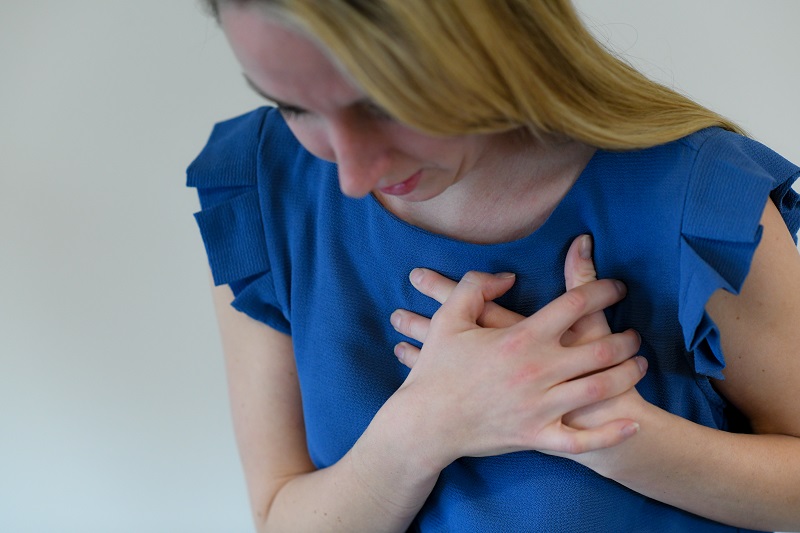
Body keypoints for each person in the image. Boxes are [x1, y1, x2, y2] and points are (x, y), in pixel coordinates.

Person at [187, 1, 800, 531]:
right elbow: (279, 519)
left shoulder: (699, 198)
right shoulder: (262, 189)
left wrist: (616, 434)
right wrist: (426, 426)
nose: (350, 174)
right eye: (292, 107)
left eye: (381, 103)